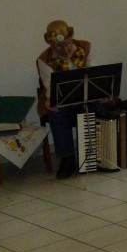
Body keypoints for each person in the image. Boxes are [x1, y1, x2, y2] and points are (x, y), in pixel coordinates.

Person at [36, 19, 92, 179]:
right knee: (56, 112)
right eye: (58, 46)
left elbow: (96, 73)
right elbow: (50, 85)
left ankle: (97, 154)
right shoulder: (44, 59)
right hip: (64, 101)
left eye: (67, 44)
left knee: (102, 106)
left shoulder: (86, 47)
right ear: (51, 45)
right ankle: (67, 159)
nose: (65, 49)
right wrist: (51, 100)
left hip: (88, 97)